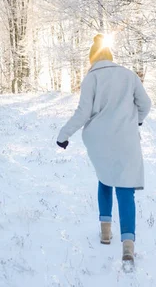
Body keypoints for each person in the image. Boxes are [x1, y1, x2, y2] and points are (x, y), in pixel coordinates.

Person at [56, 34, 151, 265]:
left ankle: (106, 233)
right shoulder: (128, 75)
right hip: (126, 141)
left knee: (105, 180)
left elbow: (83, 112)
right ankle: (128, 245)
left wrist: (64, 135)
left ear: (93, 59)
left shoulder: (91, 78)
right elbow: (145, 104)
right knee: (125, 188)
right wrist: (135, 121)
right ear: (110, 56)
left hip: (99, 140)